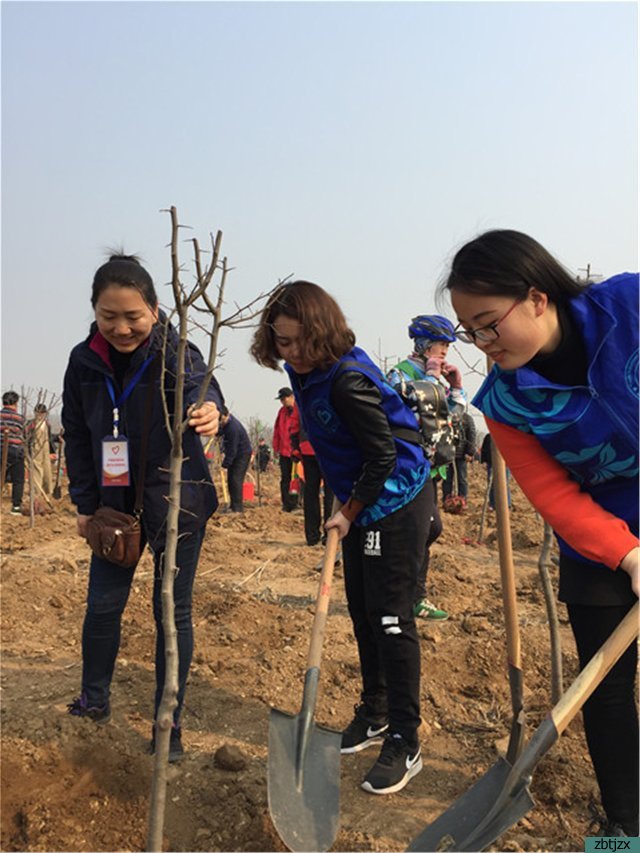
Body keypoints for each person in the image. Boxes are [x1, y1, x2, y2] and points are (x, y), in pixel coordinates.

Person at [442, 229, 638, 837]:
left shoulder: (628, 308)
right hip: (602, 538)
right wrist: (627, 556)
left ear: (535, 297)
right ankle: (626, 832)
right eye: (468, 331)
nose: (480, 344)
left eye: (487, 324)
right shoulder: (505, 402)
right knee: (603, 691)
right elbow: (552, 493)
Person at [251, 280, 431, 795]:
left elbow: (384, 456)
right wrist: (344, 496)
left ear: (324, 332)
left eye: (303, 342)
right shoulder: (300, 371)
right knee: (362, 609)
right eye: (282, 342)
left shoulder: (348, 381)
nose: (294, 353)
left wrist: (348, 510)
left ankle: (405, 736)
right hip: (361, 497)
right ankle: (374, 712)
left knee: (392, 618)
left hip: (394, 500)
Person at [62, 253, 224, 762]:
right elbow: (78, 438)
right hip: (112, 509)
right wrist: (85, 506)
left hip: (178, 502)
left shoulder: (176, 352)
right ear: (95, 312)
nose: (122, 327)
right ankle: (94, 699)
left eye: (133, 316)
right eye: (110, 317)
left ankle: (167, 723)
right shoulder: (83, 361)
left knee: (170, 613)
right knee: (103, 607)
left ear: (155, 309)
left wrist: (210, 410)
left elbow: (206, 389)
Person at [387, 315, 468, 622]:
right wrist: (433, 381)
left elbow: (451, 417)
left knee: (427, 530)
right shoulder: (400, 375)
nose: (445, 350)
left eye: (448, 345)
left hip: (431, 468)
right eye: (440, 344)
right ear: (422, 344)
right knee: (422, 530)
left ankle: (412, 596)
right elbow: (421, 410)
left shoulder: (436, 375)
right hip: (408, 464)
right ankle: (409, 598)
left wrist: (456, 387)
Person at [289, 403, 334, 546]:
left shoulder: (300, 393)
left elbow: (294, 424)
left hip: (307, 446)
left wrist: (295, 446)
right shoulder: (330, 387)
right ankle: (330, 535)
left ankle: (312, 536)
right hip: (329, 446)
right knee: (330, 491)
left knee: (311, 491)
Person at [218, 407, 252, 513]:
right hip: (235, 455)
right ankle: (233, 506)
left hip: (242, 455)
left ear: (227, 415)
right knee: (231, 480)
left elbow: (232, 449)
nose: (220, 422)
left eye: (222, 419)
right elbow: (221, 431)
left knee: (235, 480)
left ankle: (237, 508)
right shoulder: (226, 424)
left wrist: (225, 464)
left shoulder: (233, 428)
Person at [442, 410, 476, 509]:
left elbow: (471, 436)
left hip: (461, 455)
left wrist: (469, 452)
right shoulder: (446, 416)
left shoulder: (467, 419)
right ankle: (446, 499)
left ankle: (463, 499)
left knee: (462, 478)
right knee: (447, 478)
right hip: (448, 454)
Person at [272, 387, 298, 512]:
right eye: (281, 399)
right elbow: (277, 430)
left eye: (284, 399)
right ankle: (286, 504)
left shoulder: (300, 409)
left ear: (292, 397)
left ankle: (296, 503)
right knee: (285, 478)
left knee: (298, 479)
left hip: (298, 451)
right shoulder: (281, 412)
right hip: (284, 451)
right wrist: (276, 447)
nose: (282, 401)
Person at [0, 390, 25, 514]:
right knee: (18, 480)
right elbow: (22, 435)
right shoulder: (19, 418)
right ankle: (16, 507)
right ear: (15, 403)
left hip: (0, 449)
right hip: (15, 451)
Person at [26, 402, 54, 503]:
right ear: (35, 413)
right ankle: (36, 492)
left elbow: (50, 438)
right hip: (35, 450)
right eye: (38, 413)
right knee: (37, 471)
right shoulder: (31, 424)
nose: (40, 415)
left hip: (45, 450)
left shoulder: (47, 424)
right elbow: (25, 437)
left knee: (47, 470)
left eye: (42, 413)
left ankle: (47, 491)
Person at [480, 431, 511, 510]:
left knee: (504, 483)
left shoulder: (506, 437)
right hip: (491, 464)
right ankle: (492, 504)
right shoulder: (488, 437)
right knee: (491, 484)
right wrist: (483, 461)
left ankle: (507, 503)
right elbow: (484, 450)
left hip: (505, 464)